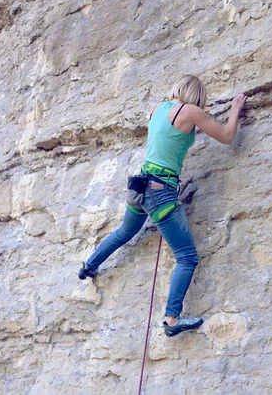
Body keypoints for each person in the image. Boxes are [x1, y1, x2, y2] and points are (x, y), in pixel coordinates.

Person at [78, 74, 248, 337]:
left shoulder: (157, 108)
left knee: (125, 232)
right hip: (161, 192)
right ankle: (171, 319)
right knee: (187, 257)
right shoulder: (190, 111)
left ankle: (89, 266)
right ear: (198, 96)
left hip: (140, 186)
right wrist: (235, 110)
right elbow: (226, 136)